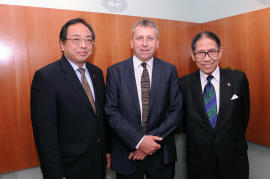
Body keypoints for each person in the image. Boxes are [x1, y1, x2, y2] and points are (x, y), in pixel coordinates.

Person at [30, 18, 111, 179]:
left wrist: (106, 149)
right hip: (69, 167)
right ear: (62, 44)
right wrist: (54, 174)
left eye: (88, 40)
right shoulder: (46, 76)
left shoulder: (97, 72)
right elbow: (44, 134)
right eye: (76, 39)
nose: (83, 45)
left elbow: (101, 117)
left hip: (98, 160)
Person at [105, 19, 182, 179]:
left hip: (161, 153)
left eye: (150, 38)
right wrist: (139, 141)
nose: (145, 43)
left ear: (157, 42)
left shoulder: (169, 70)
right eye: (140, 38)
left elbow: (176, 111)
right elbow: (111, 112)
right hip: (128, 153)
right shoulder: (115, 72)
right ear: (132, 42)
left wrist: (149, 143)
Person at [178, 31, 250, 179]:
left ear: (220, 52)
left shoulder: (238, 79)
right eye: (201, 53)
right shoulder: (183, 83)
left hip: (234, 159)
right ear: (193, 55)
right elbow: (184, 120)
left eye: (212, 52)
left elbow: (244, 115)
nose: (207, 59)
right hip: (199, 161)